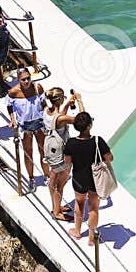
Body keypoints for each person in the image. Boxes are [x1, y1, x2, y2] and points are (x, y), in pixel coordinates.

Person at [64, 114, 113, 247]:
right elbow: (109, 158)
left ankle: (77, 231)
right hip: (95, 180)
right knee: (94, 207)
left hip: (79, 178)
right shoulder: (98, 141)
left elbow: (67, 161)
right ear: (90, 126)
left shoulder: (71, 142)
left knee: (79, 204)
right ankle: (92, 238)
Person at [7, 69, 48, 184]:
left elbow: (43, 103)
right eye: (23, 79)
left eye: (28, 78)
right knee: (28, 152)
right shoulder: (13, 92)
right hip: (25, 125)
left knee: (43, 150)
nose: (26, 81)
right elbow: (9, 105)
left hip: (39, 122)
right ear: (18, 80)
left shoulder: (37, 87)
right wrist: (12, 119)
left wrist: (48, 114)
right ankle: (31, 178)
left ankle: (47, 175)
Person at [43, 90, 78, 222]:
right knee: (60, 184)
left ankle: (55, 207)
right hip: (61, 154)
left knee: (53, 180)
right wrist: (79, 101)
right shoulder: (61, 119)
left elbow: (58, 119)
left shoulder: (47, 111)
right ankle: (57, 212)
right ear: (59, 99)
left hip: (51, 152)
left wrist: (68, 104)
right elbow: (81, 120)